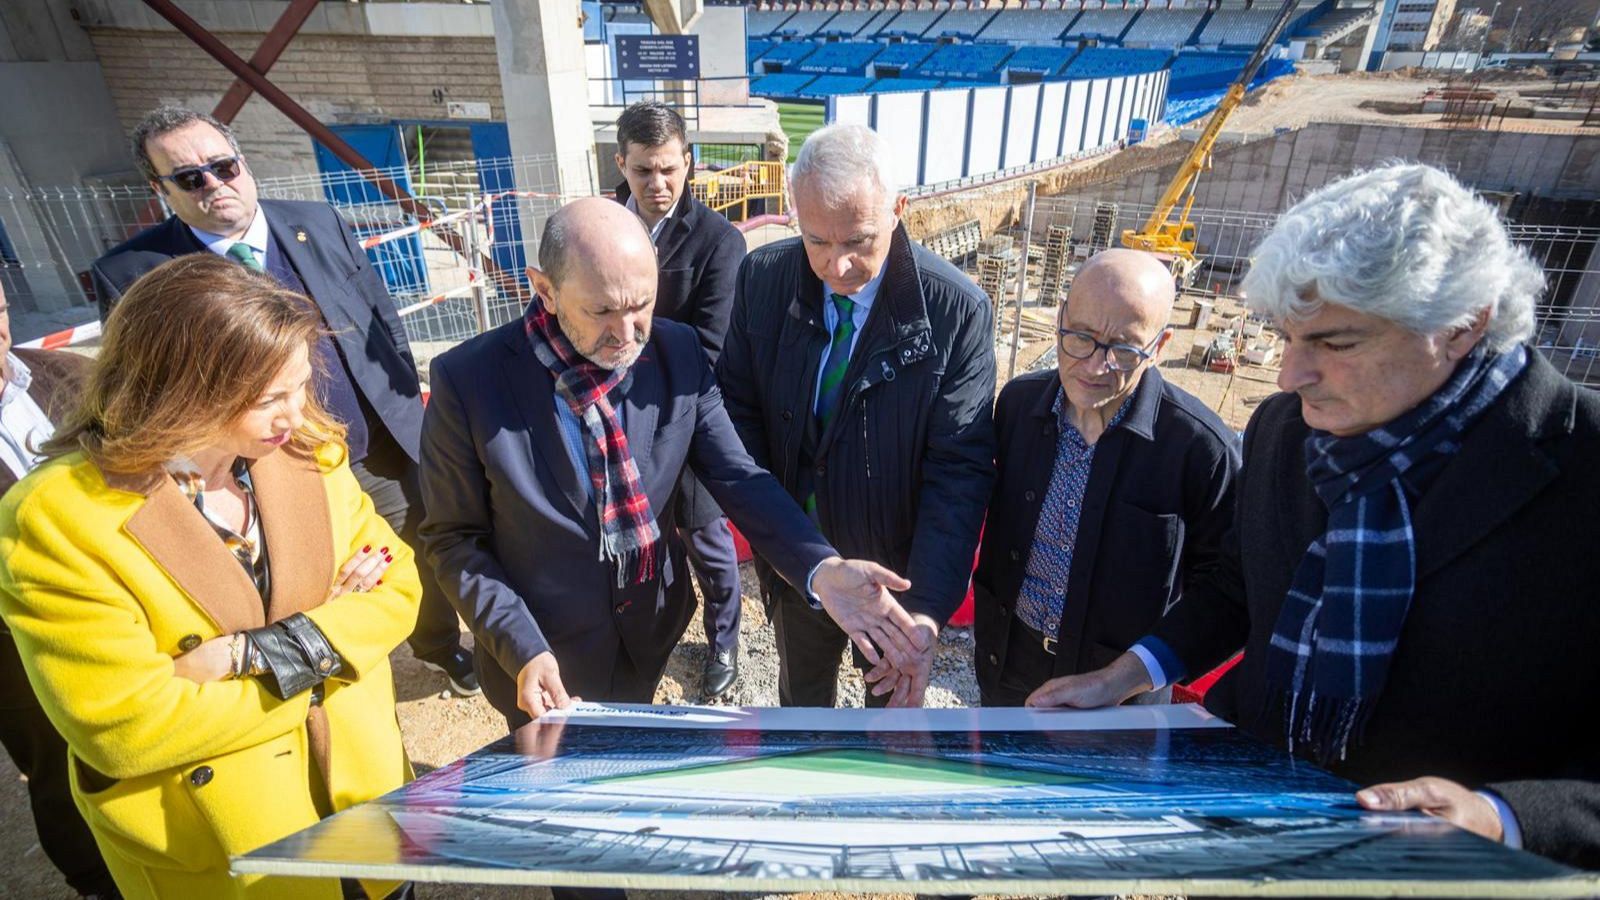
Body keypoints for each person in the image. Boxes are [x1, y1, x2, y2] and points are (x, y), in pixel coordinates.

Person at [1026, 163, 1600, 870]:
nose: (1289, 374)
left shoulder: (1582, 471)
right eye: (1287, 337)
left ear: (1462, 325)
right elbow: (1239, 585)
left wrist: (1502, 818)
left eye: (1335, 343)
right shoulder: (1284, 428)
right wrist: (1127, 675)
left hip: (1451, 874)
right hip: (1257, 828)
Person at [418, 197, 927, 733]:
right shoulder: (469, 383)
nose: (627, 333)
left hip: (647, 633)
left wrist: (820, 569)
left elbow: (738, 476)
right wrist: (521, 646)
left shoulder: (676, 354)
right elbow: (453, 540)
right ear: (545, 290)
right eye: (602, 311)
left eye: (641, 304)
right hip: (539, 657)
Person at [0, 254, 422, 898]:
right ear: (179, 388)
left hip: (367, 793)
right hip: (225, 843)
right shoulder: (55, 518)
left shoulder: (306, 450)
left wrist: (244, 655)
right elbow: (126, 729)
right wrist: (333, 642)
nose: (295, 414)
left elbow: (400, 587)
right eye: (269, 398)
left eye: (300, 385)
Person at [87, 106, 476, 696]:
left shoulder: (317, 222)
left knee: (411, 552)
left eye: (223, 167)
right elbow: (149, 385)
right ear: (161, 190)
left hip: (373, 449)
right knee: (303, 580)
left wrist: (406, 407)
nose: (214, 185)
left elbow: (381, 320)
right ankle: (323, 683)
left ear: (243, 163)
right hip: (261, 467)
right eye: (190, 178)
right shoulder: (134, 273)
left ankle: (438, 647)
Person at [718, 123, 996, 708]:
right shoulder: (763, 279)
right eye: (816, 240)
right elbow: (736, 418)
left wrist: (923, 613)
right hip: (801, 562)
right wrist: (801, 559)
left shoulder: (956, 312)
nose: (837, 265)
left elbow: (959, 471)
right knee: (803, 709)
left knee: (887, 718)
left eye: (858, 241)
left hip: (897, 583)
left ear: (899, 210)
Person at [972, 249, 1238, 706]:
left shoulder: (1202, 450)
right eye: (1081, 337)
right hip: (1006, 668)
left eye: (1124, 350)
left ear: (1160, 346)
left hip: (1120, 700)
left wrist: (1123, 678)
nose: (1095, 367)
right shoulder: (1016, 407)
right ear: (1060, 317)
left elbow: (1226, 594)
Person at [612, 101, 748, 698]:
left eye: (668, 169)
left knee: (710, 548)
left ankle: (725, 641)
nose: (657, 184)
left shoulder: (719, 243)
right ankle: (654, 631)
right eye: (644, 170)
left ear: (688, 163)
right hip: (610, 427)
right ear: (621, 163)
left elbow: (710, 350)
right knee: (637, 547)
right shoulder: (600, 228)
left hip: (685, 425)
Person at [0, 283, 117, 899]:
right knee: (57, 761)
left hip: (127, 602)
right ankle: (98, 880)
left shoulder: (69, 372)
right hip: (17, 639)